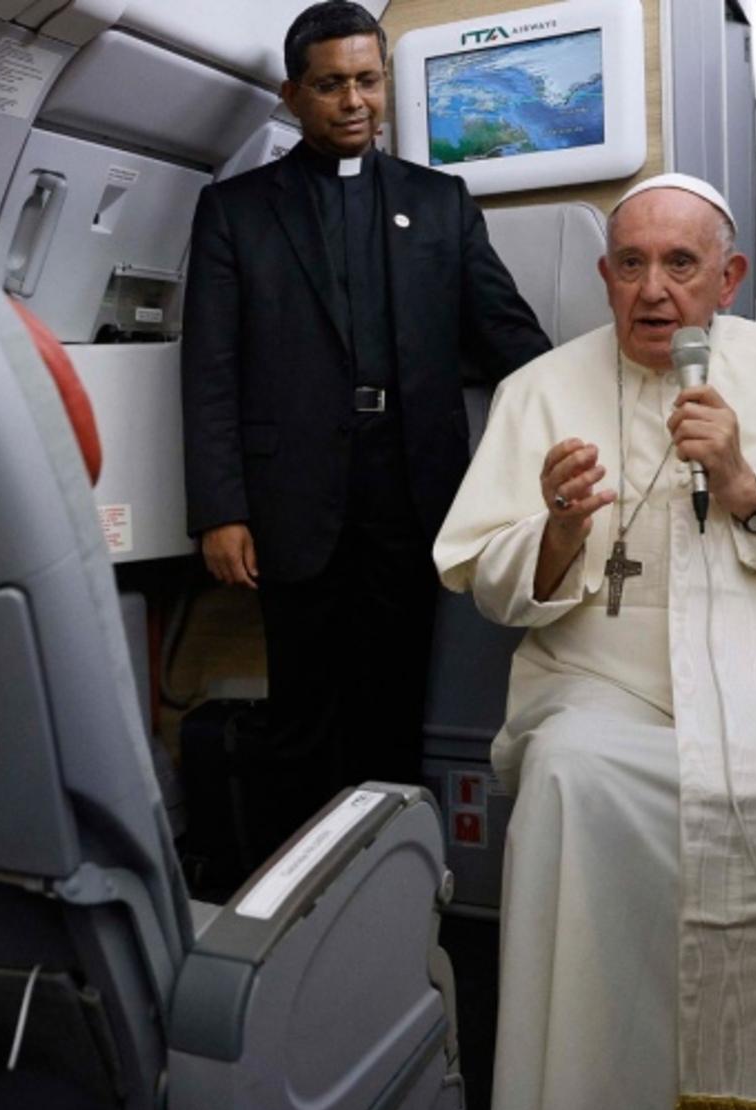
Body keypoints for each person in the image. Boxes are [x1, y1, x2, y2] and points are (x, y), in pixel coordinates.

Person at [432, 173, 756, 1110]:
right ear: (605, 275)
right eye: (631, 265)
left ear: (729, 276)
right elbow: (487, 582)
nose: (653, 289)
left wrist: (748, 485)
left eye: (679, 263)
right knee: (571, 776)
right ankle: (590, 1095)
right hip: (605, 683)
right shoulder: (537, 390)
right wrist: (556, 532)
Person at [180, 1, 548, 851]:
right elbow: (208, 371)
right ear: (292, 95)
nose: (354, 101)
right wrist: (220, 510)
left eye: (368, 80)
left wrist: (606, 404)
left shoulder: (441, 204)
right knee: (302, 717)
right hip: (290, 502)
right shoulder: (234, 212)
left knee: (392, 716)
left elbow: (510, 340)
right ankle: (293, 901)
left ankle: (392, 891)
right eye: (332, 84)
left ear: (386, 83)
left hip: (411, 493)